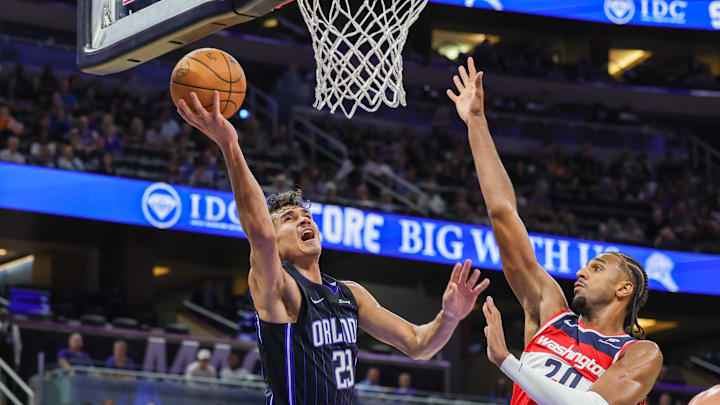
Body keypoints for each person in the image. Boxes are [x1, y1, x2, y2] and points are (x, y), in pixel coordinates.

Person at [176, 91, 490, 405]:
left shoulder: (350, 294)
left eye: (306, 216)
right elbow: (260, 235)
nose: (302, 221)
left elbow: (418, 344)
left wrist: (449, 316)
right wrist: (230, 145)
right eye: (289, 219)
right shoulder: (279, 287)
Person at [447, 58, 662, 405]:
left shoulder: (639, 354)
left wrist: (506, 362)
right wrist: (475, 122)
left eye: (597, 268)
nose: (581, 271)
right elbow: (503, 214)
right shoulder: (550, 312)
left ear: (625, 288)